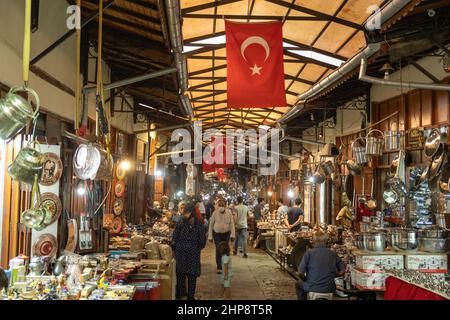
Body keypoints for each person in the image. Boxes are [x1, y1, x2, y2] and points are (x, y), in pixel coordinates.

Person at [296, 231, 345, 300]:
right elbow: (342, 270)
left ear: (313, 241)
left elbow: (300, 273)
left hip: (312, 286)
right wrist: (337, 274)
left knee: (298, 285)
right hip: (329, 288)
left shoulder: (309, 253)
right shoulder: (333, 253)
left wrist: (305, 279)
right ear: (326, 241)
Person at [172, 202, 206, 300]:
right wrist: (197, 247)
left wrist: (175, 248)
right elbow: (202, 241)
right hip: (193, 251)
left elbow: (174, 238)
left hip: (181, 251)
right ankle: (190, 297)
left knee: (181, 275)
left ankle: (179, 295)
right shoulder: (199, 223)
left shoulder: (180, 222)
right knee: (192, 276)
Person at [208, 198, 235, 274]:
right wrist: (210, 236)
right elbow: (211, 225)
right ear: (218, 205)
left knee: (226, 249)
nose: (221, 205)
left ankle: (226, 265)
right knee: (218, 249)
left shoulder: (229, 213)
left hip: (226, 233)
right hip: (217, 234)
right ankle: (219, 266)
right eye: (220, 204)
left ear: (225, 205)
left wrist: (233, 235)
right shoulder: (215, 213)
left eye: (222, 204)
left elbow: (232, 223)